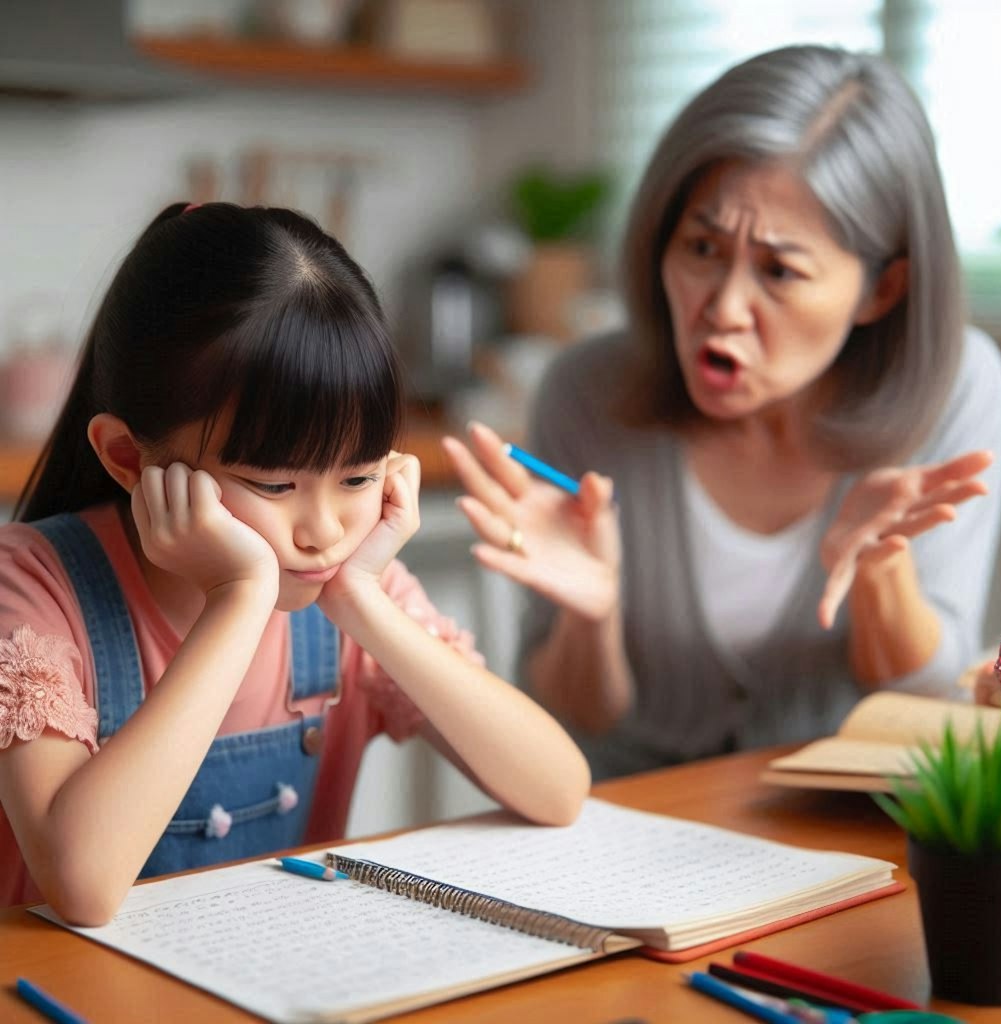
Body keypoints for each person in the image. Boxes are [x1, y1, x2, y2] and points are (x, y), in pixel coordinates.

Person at [0, 202, 590, 924]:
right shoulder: (31, 585)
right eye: (275, 485)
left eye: (358, 477)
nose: (323, 531)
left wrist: (363, 604)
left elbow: (558, 789)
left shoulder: (348, 593)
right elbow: (83, 885)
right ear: (129, 458)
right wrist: (239, 598)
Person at [443, 45, 1001, 780]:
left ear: (883, 288)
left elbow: (922, 695)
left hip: (835, 825)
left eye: (779, 270)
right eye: (703, 247)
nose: (723, 307)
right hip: (627, 819)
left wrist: (877, 569)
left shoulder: (954, 386)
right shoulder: (587, 390)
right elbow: (575, 722)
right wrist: (592, 615)